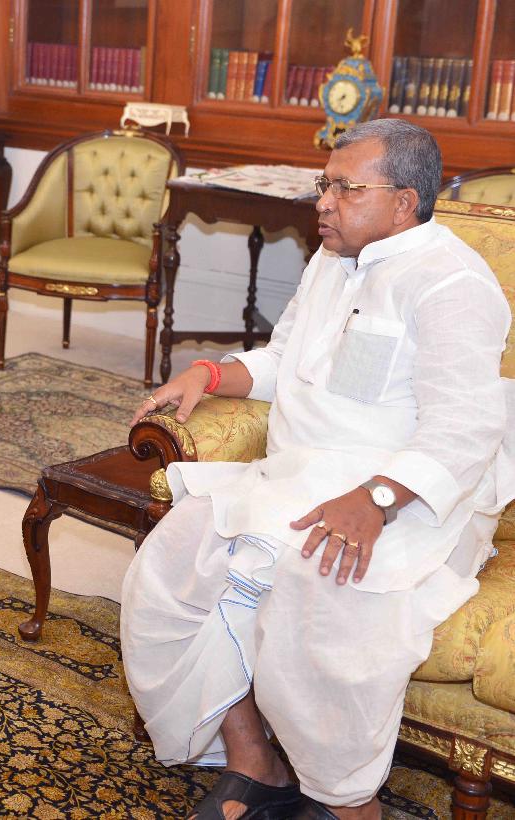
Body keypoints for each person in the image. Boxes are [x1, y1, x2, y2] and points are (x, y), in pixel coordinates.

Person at [122, 118, 512, 819]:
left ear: (404, 202)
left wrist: (376, 499)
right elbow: (286, 360)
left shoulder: (452, 283)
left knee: (322, 590)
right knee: (171, 560)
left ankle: (348, 802)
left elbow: (464, 427)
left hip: (414, 496)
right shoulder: (333, 258)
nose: (323, 203)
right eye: (324, 184)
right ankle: (256, 764)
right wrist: (210, 374)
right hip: (299, 475)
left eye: (346, 189)